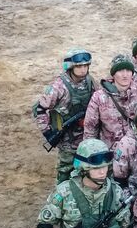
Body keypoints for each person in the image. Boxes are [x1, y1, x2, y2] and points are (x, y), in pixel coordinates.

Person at [32, 47, 95, 183]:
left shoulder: (89, 82)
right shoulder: (59, 86)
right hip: (68, 139)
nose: (83, 69)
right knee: (66, 171)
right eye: (79, 66)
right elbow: (40, 110)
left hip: (87, 136)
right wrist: (48, 132)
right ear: (70, 67)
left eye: (85, 65)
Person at [83, 53, 137, 146]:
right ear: (113, 74)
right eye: (120, 71)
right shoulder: (99, 97)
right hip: (111, 152)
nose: (125, 75)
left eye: (128, 71)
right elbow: (90, 129)